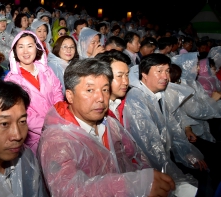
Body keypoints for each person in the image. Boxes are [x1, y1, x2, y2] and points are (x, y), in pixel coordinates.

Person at [37, 58, 176, 197]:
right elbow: (69, 191)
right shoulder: (56, 140)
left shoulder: (110, 123)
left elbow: (135, 156)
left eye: (105, 89)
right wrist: (132, 185)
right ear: (70, 96)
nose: (100, 98)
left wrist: (149, 177)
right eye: (90, 90)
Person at [123, 53, 208, 194]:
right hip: (149, 167)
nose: (165, 76)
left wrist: (188, 153)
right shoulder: (136, 99)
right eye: (159, 71)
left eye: (167, 71)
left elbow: (173, 128)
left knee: (203, 171)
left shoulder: (159, 94)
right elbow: (150, 146)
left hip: (166, 156)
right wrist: (174, 176)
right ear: (144, 74)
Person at [4, 31, 63, 154]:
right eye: (21, 47)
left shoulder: (46, 70)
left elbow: (57, 89)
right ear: (15, 51)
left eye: (30, 46)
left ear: (37, 49)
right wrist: (48, 125)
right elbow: (21, 112)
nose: (25, 51)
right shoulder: (12, 80)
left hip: (58, 125)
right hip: (34, 139)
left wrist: (59, 113)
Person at [95, 50, 131, 124]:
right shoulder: (95, 110)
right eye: (119, 76)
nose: (126, 82)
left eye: (126, 75)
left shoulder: (128, 104)